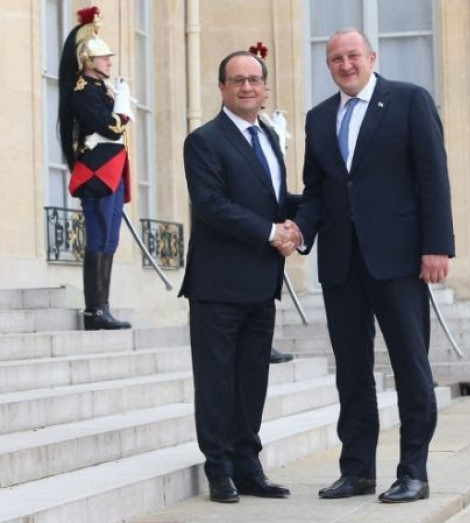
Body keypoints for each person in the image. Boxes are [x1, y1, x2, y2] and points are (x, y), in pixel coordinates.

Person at [292, 28, 455, 503]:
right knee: (352, 370)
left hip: (398, 259)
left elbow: (433, 176)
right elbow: (317, 191)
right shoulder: (318, 118)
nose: (346, 65)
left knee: (410, 366)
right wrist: (298, 232)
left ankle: (414, 473)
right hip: (341, 263)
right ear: (329, 65)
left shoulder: (409, 101)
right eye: (336, 59)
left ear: (371, 57)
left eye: (353, 56)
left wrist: (437, 246)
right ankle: (357, 470)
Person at [179, 50, 299, 503]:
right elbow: (210, 204)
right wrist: (271, 232)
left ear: (265, 87)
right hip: (217, 286)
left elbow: (274, 199)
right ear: (222, 88)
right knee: (217, 381)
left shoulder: (268, 136)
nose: (247, 87)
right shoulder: (204, 141)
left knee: (252, 380)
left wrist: (304, 219)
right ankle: (220, 469)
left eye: (254, 80)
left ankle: (249, 466)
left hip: (261, 284)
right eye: (237, 80)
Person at [57, 6, 132, 331]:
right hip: (97, 172)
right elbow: (111, 128)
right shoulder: (83, 91)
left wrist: (118, 100)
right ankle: (94, 311)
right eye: (103, 58)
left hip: (111, 168)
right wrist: (122, 108)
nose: (109, 63)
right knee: (99, 236)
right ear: (88, 60)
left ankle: (104, 306)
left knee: (110, 238)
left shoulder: (101, 89)